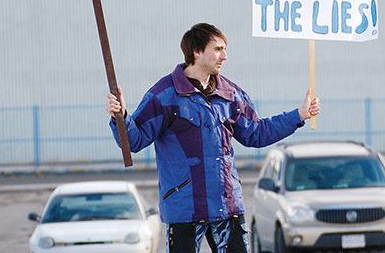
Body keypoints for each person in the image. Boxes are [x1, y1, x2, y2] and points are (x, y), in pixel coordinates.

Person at [107, 23, 320, 253]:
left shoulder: (230, 94)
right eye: (218, 49)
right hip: (185, 210)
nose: (225, 56)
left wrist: (298, 115)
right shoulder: (164, 95)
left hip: (227, 207)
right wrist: (121, 116)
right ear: (197, 52)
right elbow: (134, 141)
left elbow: (256, 134)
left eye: (224, 49)